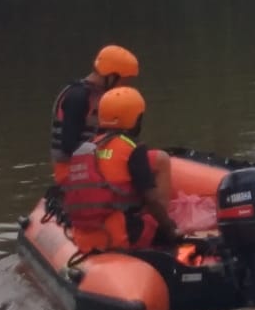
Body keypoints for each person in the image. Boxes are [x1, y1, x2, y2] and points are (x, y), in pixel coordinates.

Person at [61, 85, 180, 253]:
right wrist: (169, 227)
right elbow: (151, 199)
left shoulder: (86, 148)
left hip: (83, 237)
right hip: (117, 235)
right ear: (134, 119)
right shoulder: (132, 149)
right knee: (169, 237)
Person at [50, 45, 140, 184]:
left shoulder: (97, 95)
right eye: (124, 81)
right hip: (72, 172)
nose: (125, 86)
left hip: (91, 167)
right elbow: (68, 145)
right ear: (111, 76)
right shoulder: (78, 97)